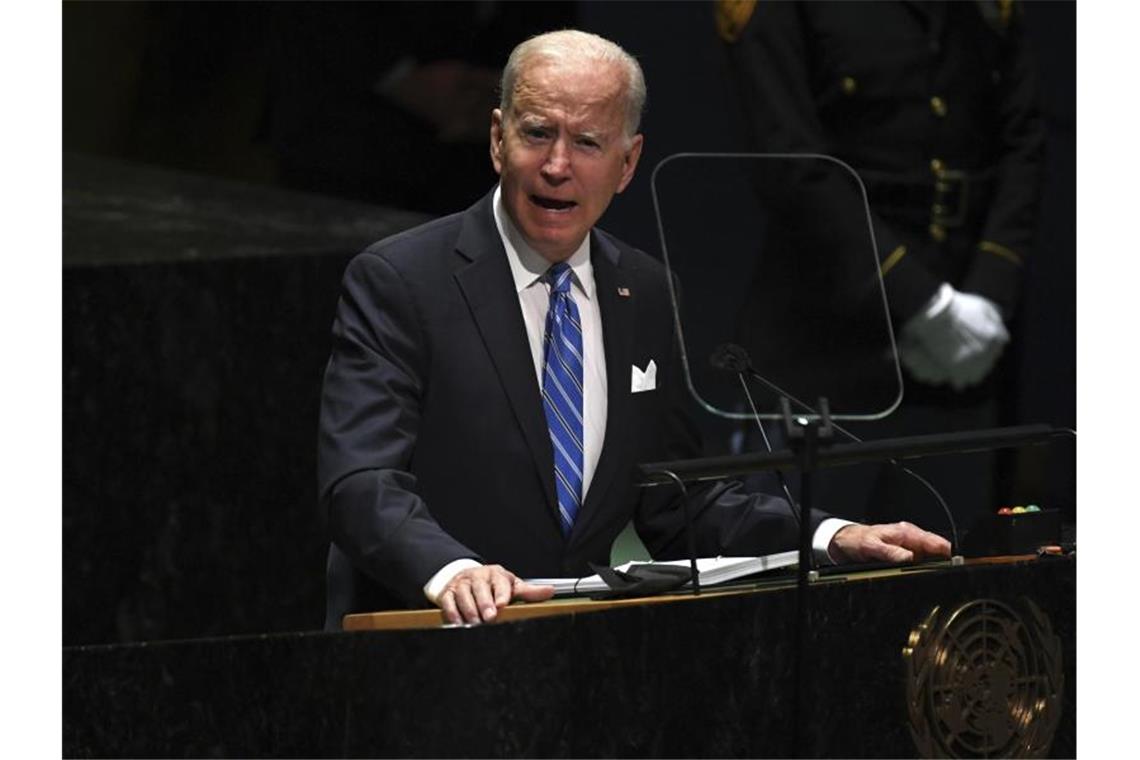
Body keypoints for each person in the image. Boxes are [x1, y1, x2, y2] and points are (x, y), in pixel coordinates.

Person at [318, 29, 950, 629]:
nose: (558, 165)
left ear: (627, 163)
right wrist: (450, 569)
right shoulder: (402, 280)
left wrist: (829, 537)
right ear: (497, 139)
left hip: (579, 659)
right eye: (538, 133)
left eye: (588, 143)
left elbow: (678, 498)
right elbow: (361, 481)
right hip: (424, 642)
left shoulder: (645, 291)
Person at [717, 1, 1045, 530]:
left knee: (953, 587)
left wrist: (989, 292)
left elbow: (1023, 138)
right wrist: (922, 304)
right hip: (828, 346)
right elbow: (790, 161)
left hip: (965, 349)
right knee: (797, 585)